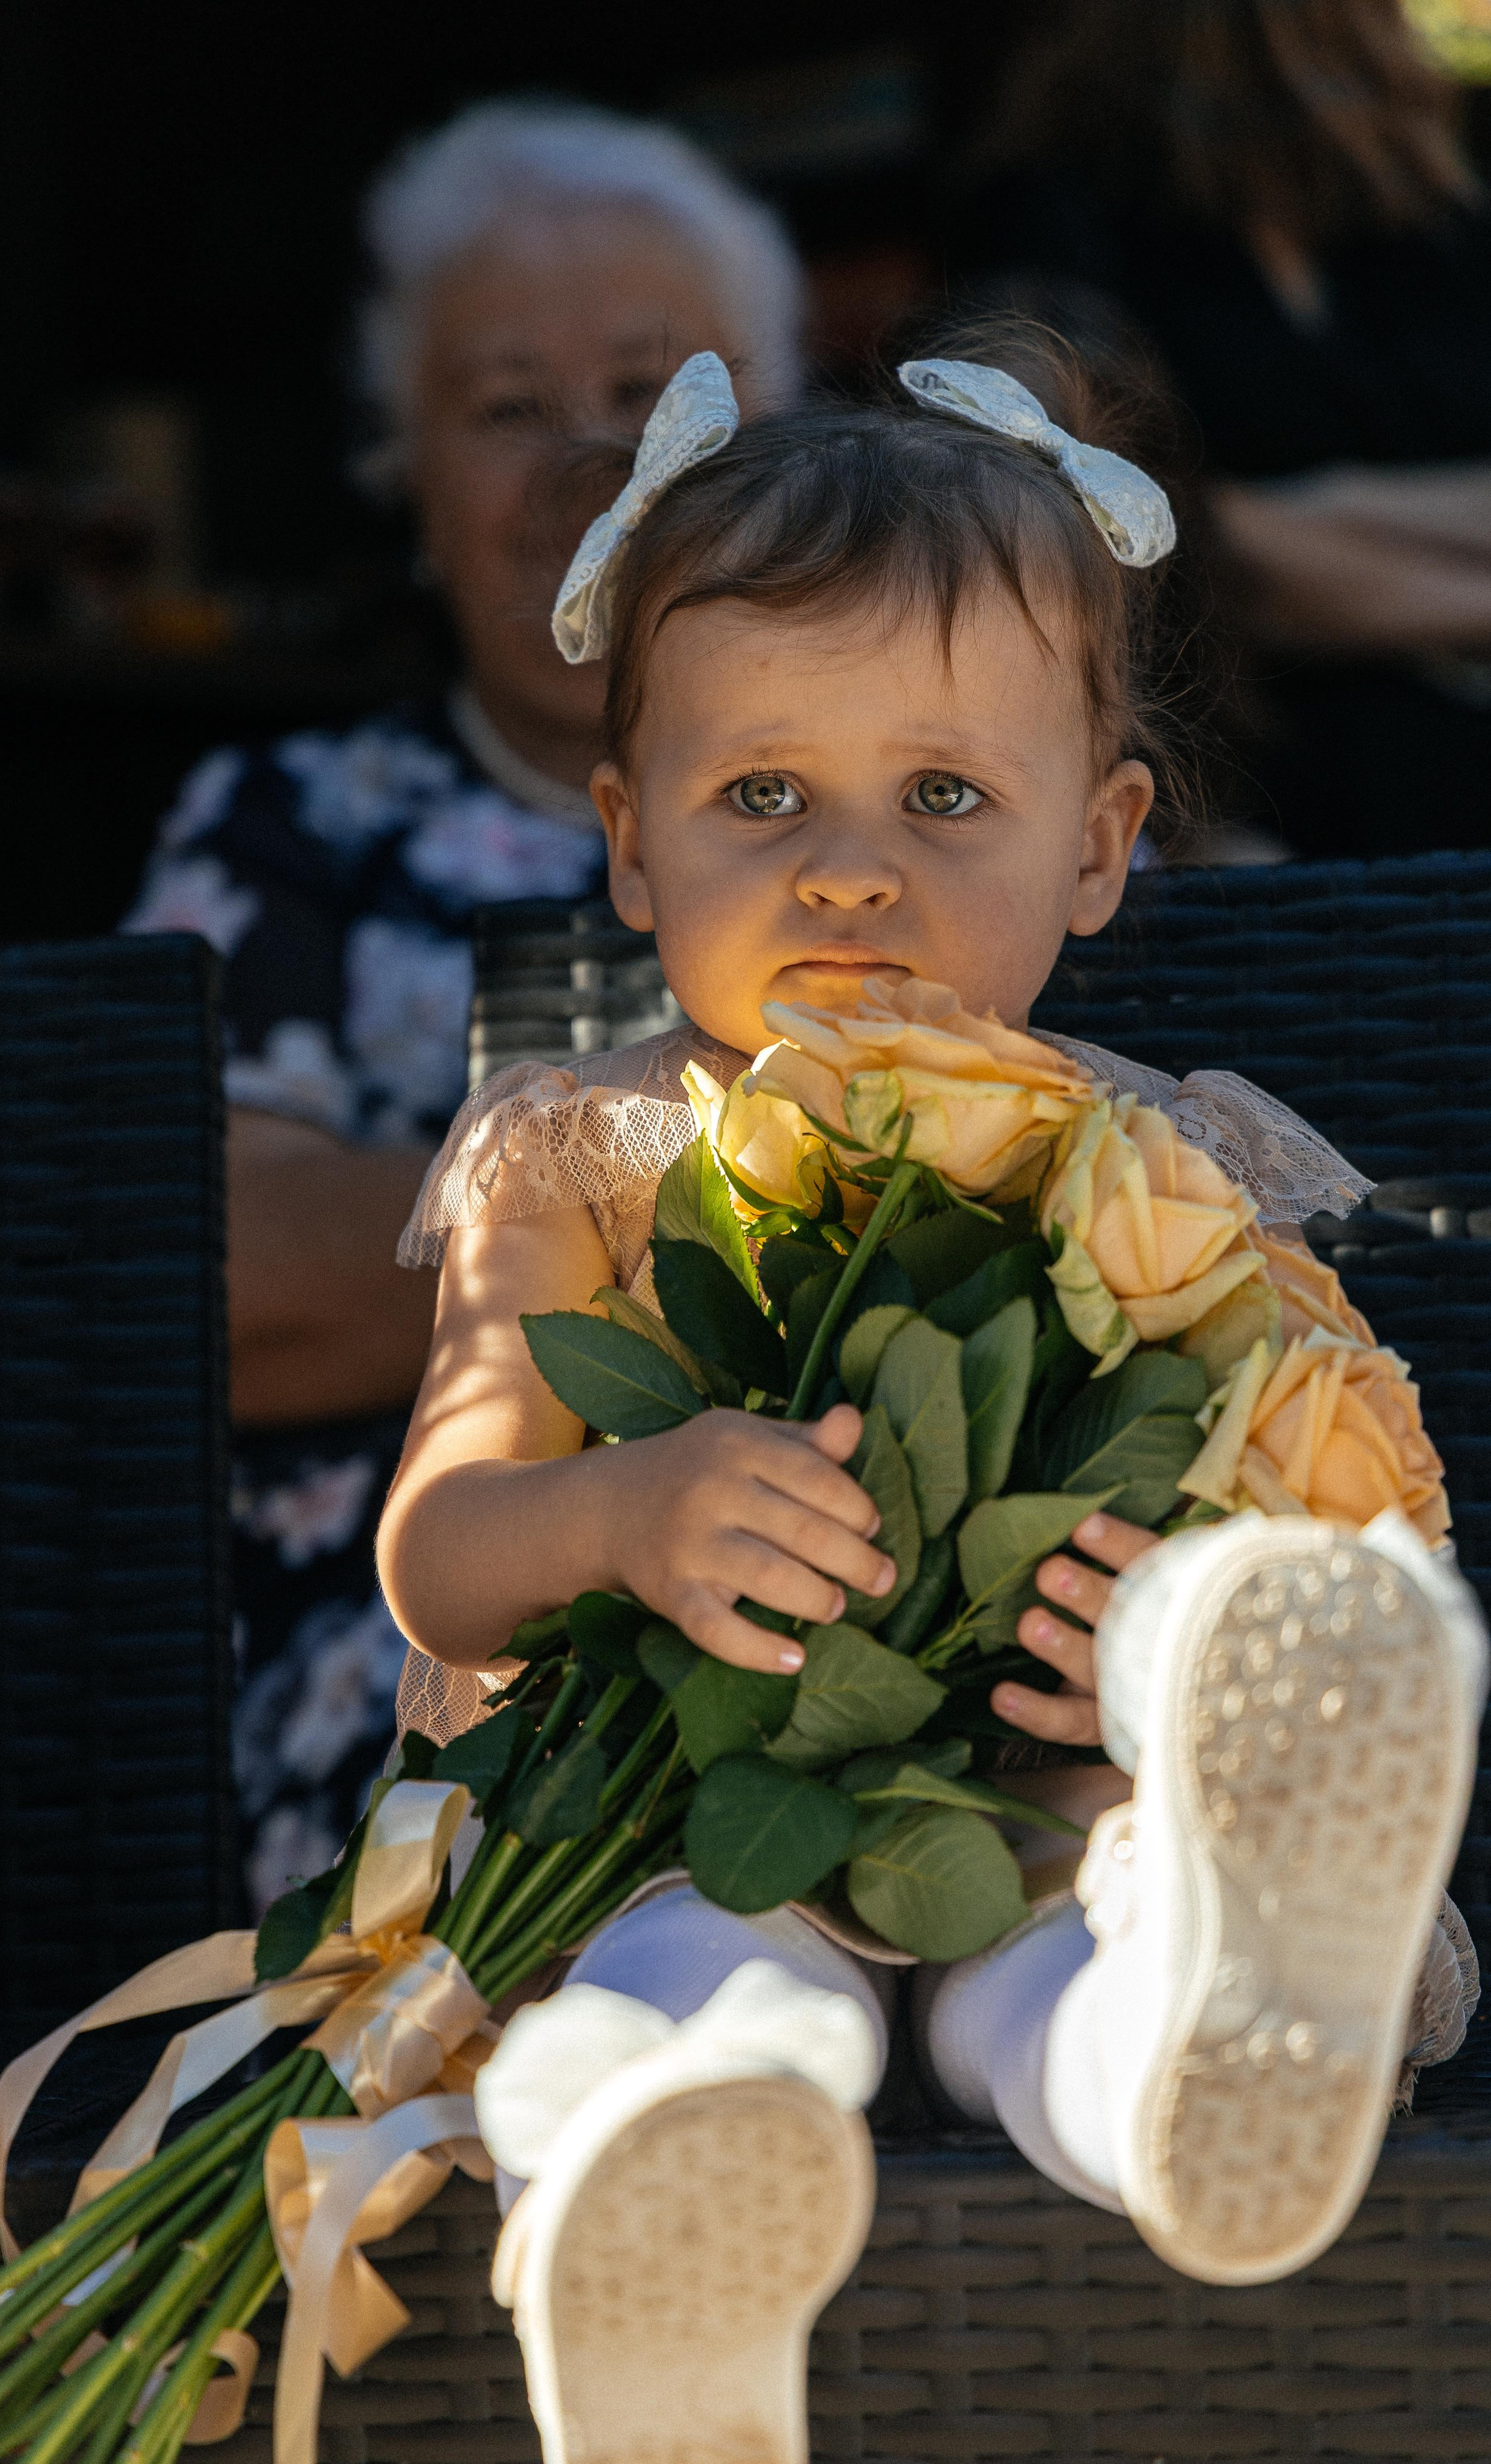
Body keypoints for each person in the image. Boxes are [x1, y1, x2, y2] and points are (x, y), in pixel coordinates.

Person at [375, 330, 1486, 2454]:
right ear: (630, 843)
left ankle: (1197, 2075)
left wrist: (1156, 1641)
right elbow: (443, 1546)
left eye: (945, 794)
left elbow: (1302, 1515)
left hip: (1022, 1822)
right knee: (717, 1985)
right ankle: (666, 2222)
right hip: (675, 1824)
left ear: (1102, 844)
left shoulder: (1171, 1166)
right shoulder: (582, 1158)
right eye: (761, 793)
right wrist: (623, 1509)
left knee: (1055, 1975)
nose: (850, 867)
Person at [121, 101, 804, 1912]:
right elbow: (225, 1291)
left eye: (653, 395)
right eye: (507, 407)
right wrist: (742, 1201)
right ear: (406, 475)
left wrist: (470, 1235)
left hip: (832, 1629)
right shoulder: (289, 829)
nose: (590, 463)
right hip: (411, 1708)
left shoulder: (906, 819)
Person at [958, 0, 1491, 859]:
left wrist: (1315, 512)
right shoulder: (1066, 215)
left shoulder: (1425, 218)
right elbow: (1171, 550)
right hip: (1266, 797)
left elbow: (1230, 535)